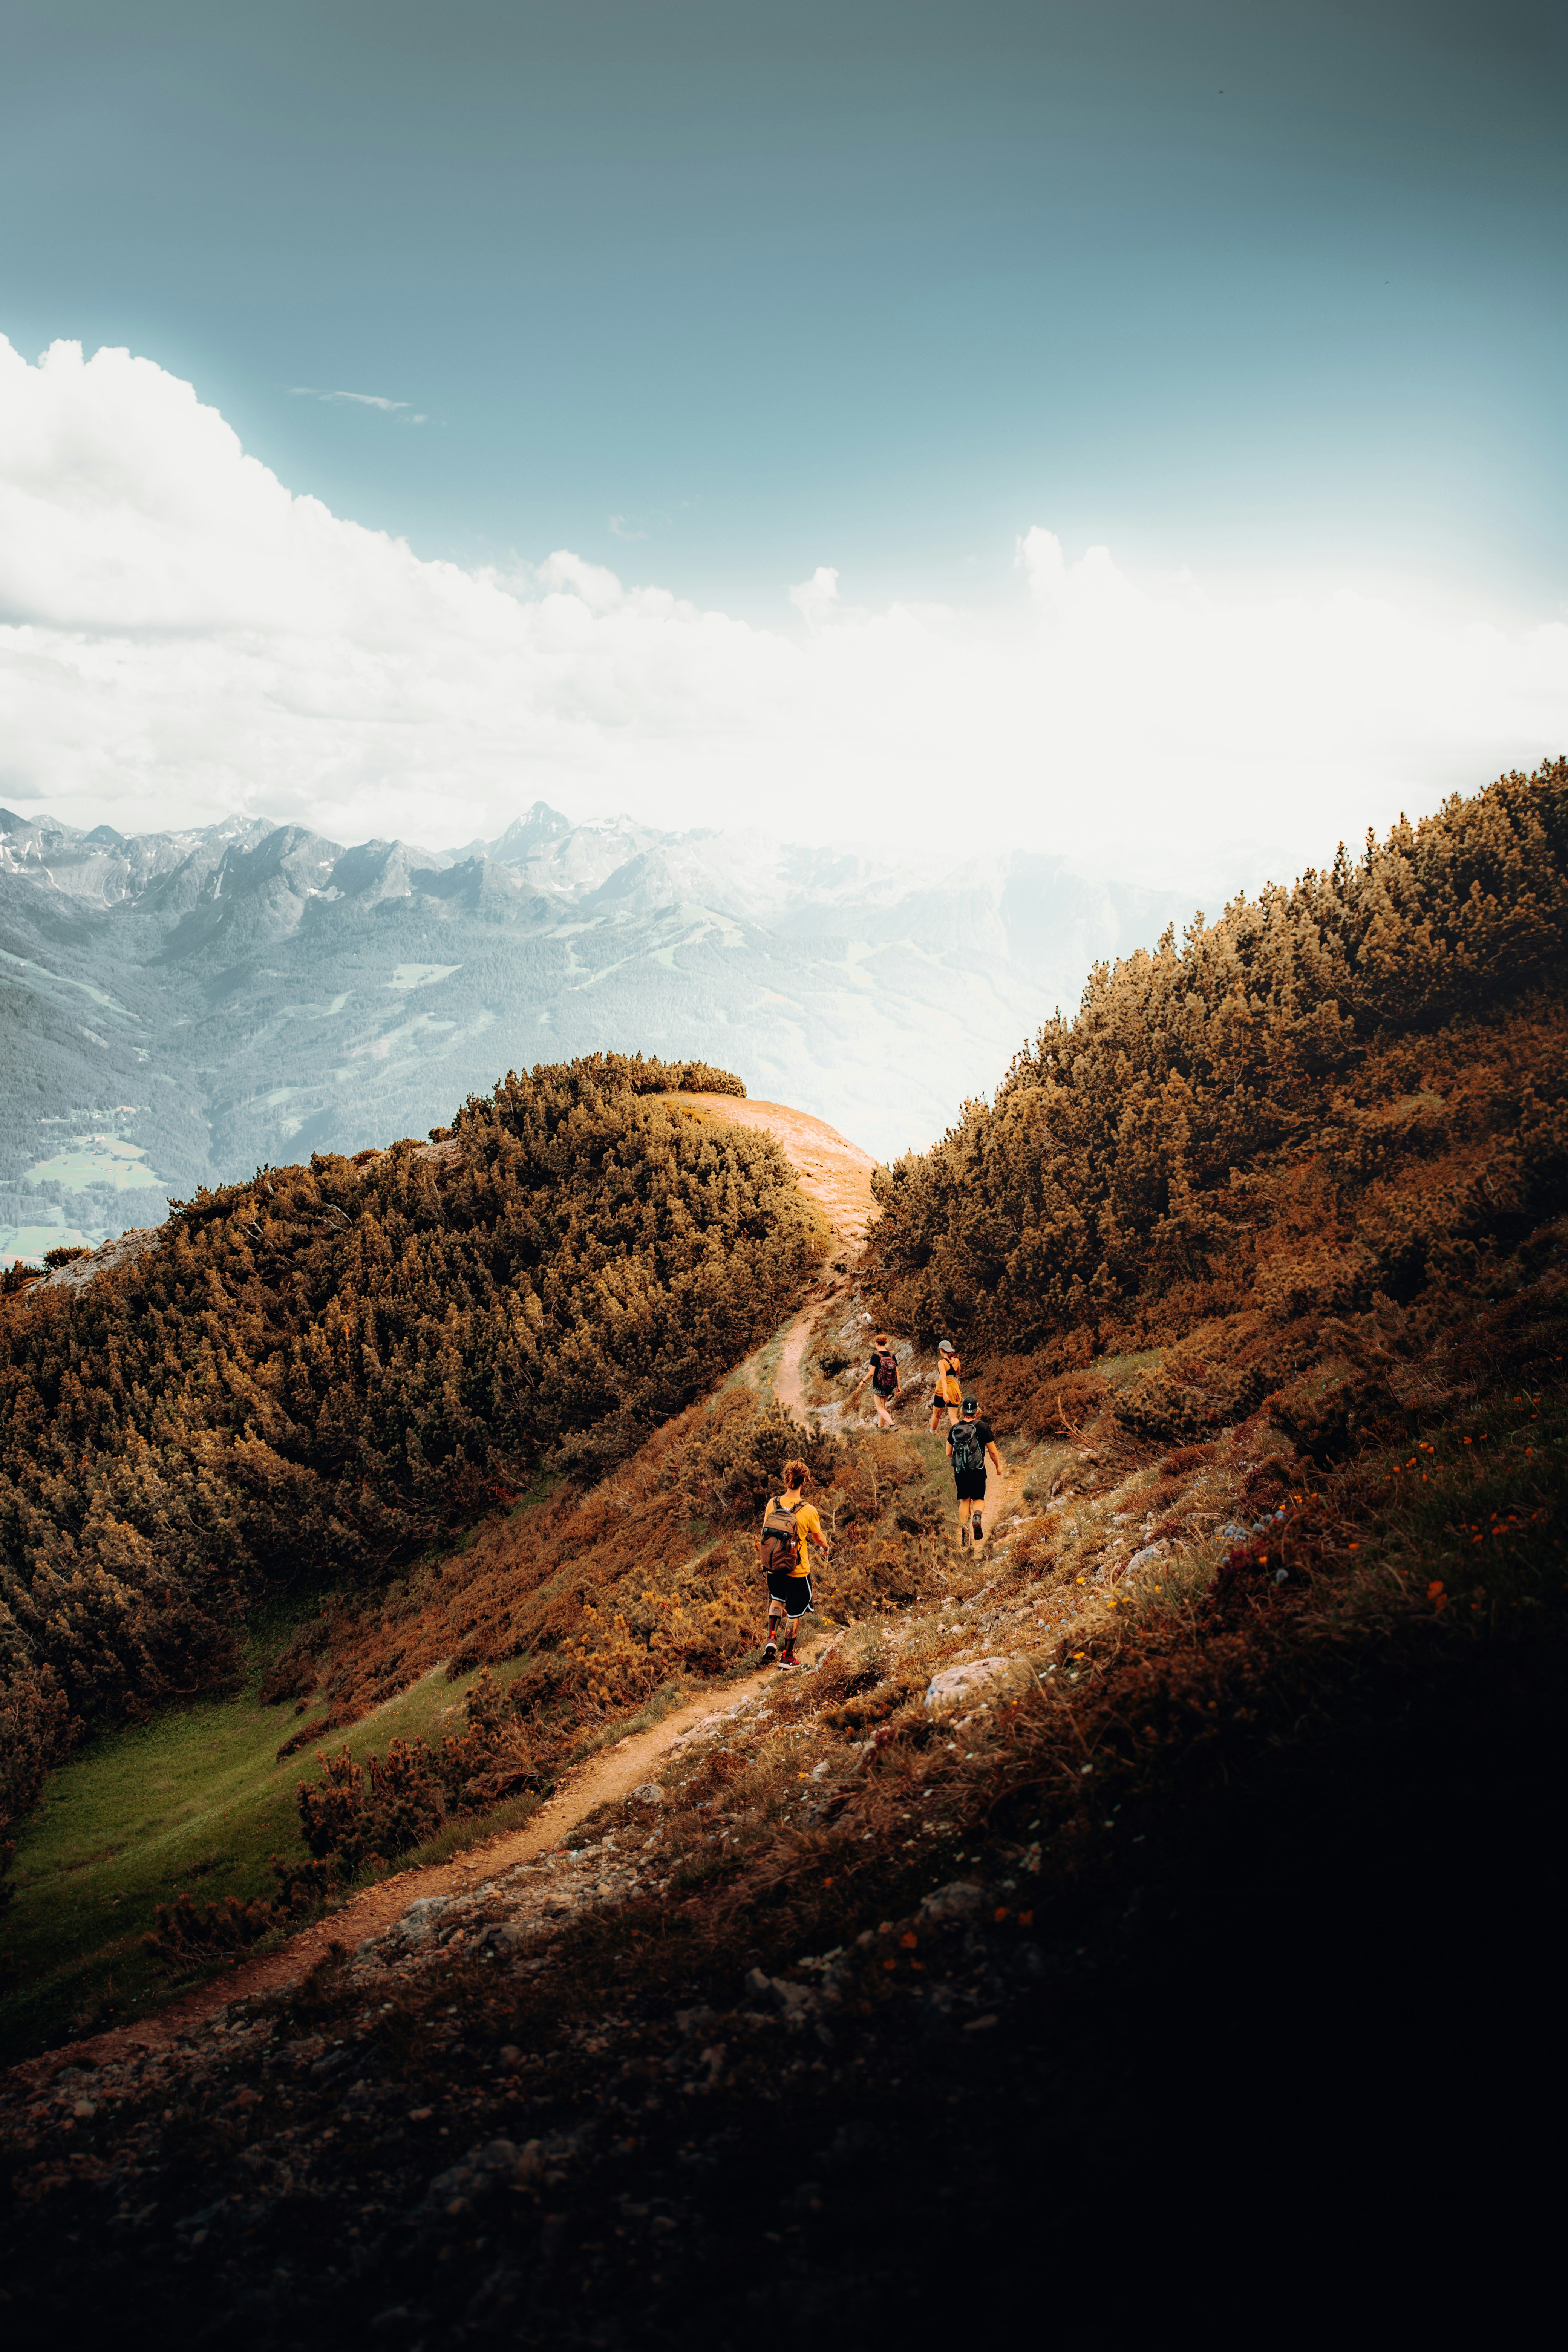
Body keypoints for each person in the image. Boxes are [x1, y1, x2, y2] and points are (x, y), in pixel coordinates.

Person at [757, 1457, 830, 1667]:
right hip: (796, 1570)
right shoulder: (808, 1510)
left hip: (773, 1566)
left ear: (786, 1480)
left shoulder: (773, 1503)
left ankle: (771, 1641)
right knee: (795, 1612)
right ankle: (787, 1657)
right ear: (804, 1482)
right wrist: (825, 1548)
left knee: (776, 1600)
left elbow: (765, 1531)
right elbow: (818, 1538)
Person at [946, 1396, 1003, 1548]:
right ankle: (977, 1517)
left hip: (961, 1472)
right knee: (979, 1498)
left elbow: (948, 1453)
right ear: (977, 1411)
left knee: (965, 1500)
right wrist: (998, 1467)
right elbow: (993, 1451)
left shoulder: (955, 1428)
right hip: (977, 1470)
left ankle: (965, 1532)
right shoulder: (983, 1427)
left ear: (962, 1411)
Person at [850, 1332, 902, 1428]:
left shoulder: (876, 1356)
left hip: (879, 1385)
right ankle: (880, 1427)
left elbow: (871, 1373)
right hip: (889, 1385)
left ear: (877, 1344)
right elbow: (897, 1373)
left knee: (880, 1408)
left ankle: (892, 1424)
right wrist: (899, 1387)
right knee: (883, 1407)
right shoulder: (892, 1355)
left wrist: (863, 1381)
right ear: (885, 1343)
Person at [929, 1337, 963, 1433]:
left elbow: (943, 1378)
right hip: (953, 1388)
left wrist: (945, 1394)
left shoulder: (942, 1363)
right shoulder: (957, 1361)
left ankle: (933, 1432)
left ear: (941, 1350)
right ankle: (961, 1434)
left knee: (936, 1414)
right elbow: (958, 1373)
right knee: (953, 1416)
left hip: (942, 1390)